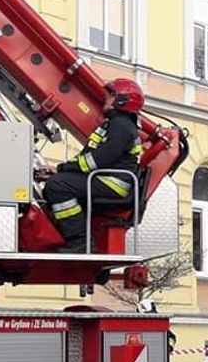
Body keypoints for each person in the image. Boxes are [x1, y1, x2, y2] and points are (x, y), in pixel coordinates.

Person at [36, 78, 144, 253]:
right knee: (56, 183)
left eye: (111, 95)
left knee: (58, 186)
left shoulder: (121, 126)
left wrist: (61, 171)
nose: (106, 98)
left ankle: (80, 242)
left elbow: (97, 160)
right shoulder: (114, 125)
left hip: (111, 184)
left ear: (122, 100)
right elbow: (88, 156)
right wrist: (58, 171)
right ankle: (69, 237)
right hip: (104, 180)